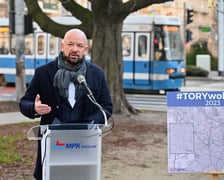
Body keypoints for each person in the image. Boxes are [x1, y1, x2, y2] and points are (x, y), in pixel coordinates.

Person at [19, 28, 113, 180]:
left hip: (84, 145)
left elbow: (107, 107)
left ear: (86, 49)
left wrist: (89, 126)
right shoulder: (44, 73)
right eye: (70, 44)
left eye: (79, 45)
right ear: (62, 46)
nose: (74, 49)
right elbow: (24, 103)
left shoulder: (96, 74)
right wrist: (34, 108)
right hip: (53, 145)